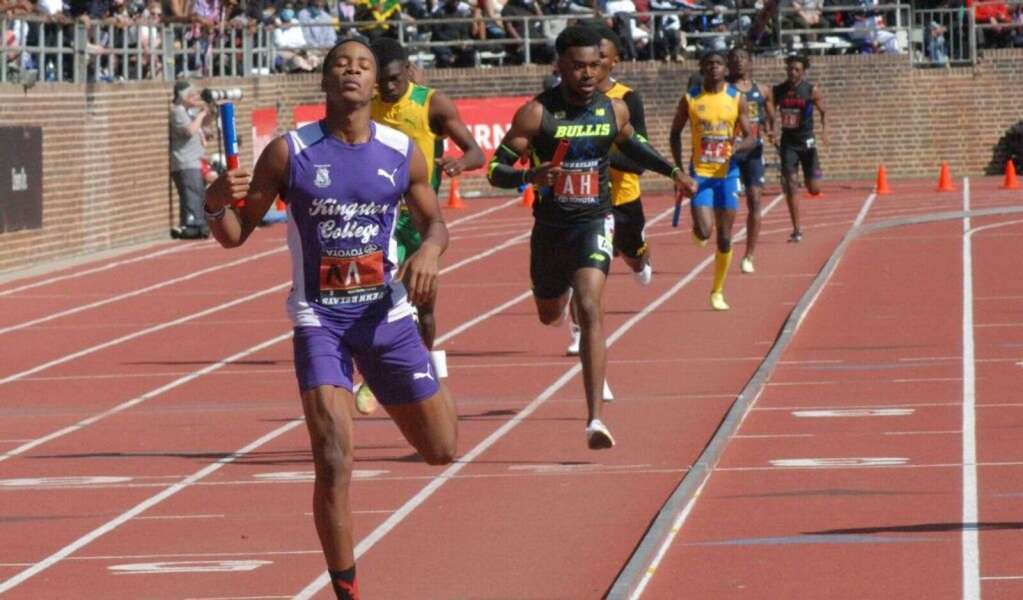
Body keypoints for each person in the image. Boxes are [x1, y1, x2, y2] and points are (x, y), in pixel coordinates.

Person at [204, 38, 458, 600]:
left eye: (363, 65)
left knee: (442, 448)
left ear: (377, 85)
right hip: (320, 319)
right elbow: (233, 235)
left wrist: (430, 253)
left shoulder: (402, 151)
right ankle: (347, 591)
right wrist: (215, 200)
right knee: (334, 456)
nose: (352, 71)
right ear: (323, 81)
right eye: (341, 63)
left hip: (385, 315)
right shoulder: (288, 152)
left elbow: (436, 224)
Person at [488, 25, 695, 449]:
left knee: (591, 306)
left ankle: (594, 419)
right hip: (550, 230)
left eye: (594, 66)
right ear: (560, 66)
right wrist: (530, 175)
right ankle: (556, 300)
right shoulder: (536, 114)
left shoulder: (612, 110)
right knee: (549, 313)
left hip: (594, 221)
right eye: (578, 67)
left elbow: (633, 145)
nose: (587, 75)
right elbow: (495, 170)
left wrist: (673, 173)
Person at [356, 36, 485, 414]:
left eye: (395, 79)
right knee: (377, 294)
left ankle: (419, 366)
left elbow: (475, 151)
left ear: (408, 71)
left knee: (423, 308)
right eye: (382, 82)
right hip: (378, 217)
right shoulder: (366, 103)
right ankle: (373, 375)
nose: (389, 88)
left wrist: (460, 164)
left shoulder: (432, 103)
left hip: (420, 219)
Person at [566, 27, 652, 358]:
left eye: (601, 57)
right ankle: (578, 330)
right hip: (586, 202)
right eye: (589, 57)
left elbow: (639, 155)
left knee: (631, 256)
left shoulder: (627, 99)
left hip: (623, 194)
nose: (594, 64)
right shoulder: (569, 100)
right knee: (587, 272)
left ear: (612, 62)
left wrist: (598, 151)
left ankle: (640, 257)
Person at [669, 49, 756, 311]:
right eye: (709, 64)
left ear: (725, 69)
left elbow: (751, 136)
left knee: (726, 237)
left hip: (727, 175)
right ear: (702, 68)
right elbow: (674, 134)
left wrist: (738, 146)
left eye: (719, 64)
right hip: (700, 174)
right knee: (705, 231)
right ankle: (697, 228)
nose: (715, 68)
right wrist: (679, 170)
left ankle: (717, 291)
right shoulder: (690, 99)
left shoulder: (736, 98)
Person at [726, 45, 773, 274]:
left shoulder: (762, 90)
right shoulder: (726, 91)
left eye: (743, 58)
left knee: (755, 199)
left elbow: (770, 116)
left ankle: (749, 255)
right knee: (729, 204)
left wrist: (771, 131)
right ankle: (724, 245)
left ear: (750, 62)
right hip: (731, 152)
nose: (739, 62)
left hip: (754, 151)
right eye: (734, 59)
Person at [770, 53, 826, 242]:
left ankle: (816, 173)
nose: (792, 72)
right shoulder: (779, 90)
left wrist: (825, 133)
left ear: (803, 72)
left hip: (807, 141)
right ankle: (797, 229)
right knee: (791, 185)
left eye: (796, 69)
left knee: (814, 189)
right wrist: (771, 129)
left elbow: (823, 111)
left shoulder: (811, 90)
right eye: (790, 69)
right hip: (788, 143)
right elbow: (769, 110)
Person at [170, 80, 211, 240]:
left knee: (198, 193)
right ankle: (191, 224)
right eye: (191, 95)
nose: (195, 97)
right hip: (185, 161)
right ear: (182, 97)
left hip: (196, 160)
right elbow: (189, 130)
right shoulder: (178, 111)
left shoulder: (189, 111)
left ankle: (198, 223)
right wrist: (201, 114)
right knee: (192, 194)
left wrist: (209, 112)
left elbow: (204, 126)